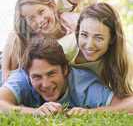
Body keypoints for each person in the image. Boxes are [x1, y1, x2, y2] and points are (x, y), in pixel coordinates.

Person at [0, 37, 133, 116]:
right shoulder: (22, 76)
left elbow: (129, 104)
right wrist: (35, 112)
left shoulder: (83, 84)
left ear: (65, 70)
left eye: (51, 73)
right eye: (37, 77)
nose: (45, 84)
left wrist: (90, 113)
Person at [1, 0, 78, 83]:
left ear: (51, 7)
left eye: (41, 12)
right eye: (31, 18)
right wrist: (5, 70)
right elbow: (13, 36)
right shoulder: (32, 41)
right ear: (27, 23)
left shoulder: (69, 20)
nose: (40, 20)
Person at [70, 2, 133, 98]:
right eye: (84, 35)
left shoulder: (125, 59)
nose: (89, 45)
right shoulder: (67, 51)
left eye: (98, 38)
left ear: (112, 39)